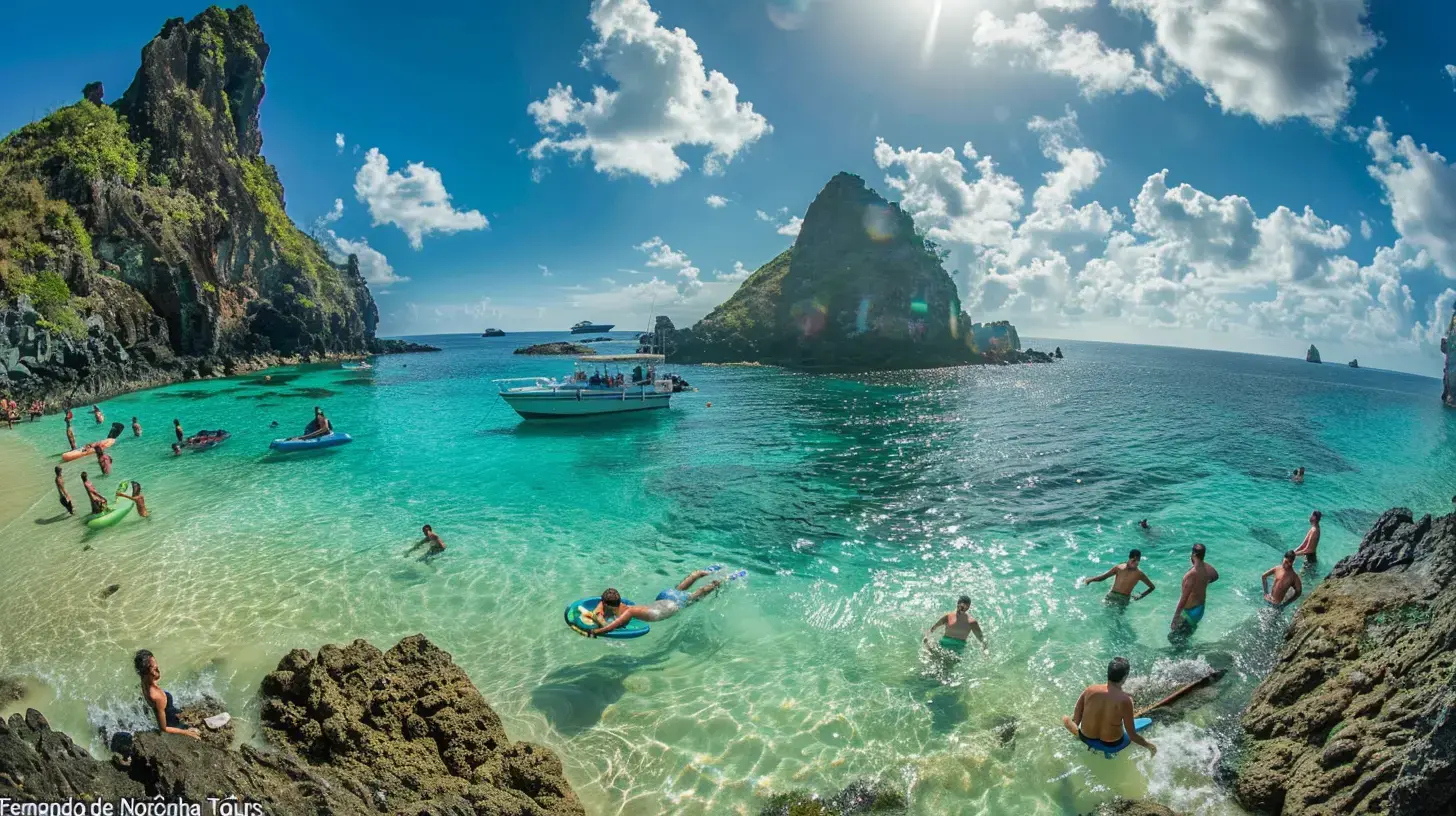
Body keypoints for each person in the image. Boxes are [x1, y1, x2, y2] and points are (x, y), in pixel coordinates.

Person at [1061, 657, 1156, 758]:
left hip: (1085, 738)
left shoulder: (1090, 690)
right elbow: (1132, 735)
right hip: (1112, 745)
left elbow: (1076, 719)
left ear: (1108, 672)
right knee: (1125, 731)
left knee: (1066, 718)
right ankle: (1110, 754)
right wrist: (1149, 746)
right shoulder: (1125, 700)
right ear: (1125, 677)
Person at [588, 569, 726, 636]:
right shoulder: (623, 605)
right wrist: (597, 615)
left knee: (695, 597)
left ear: (606, 604)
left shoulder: (629, 611)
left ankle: (717, 582)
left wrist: (594, 631)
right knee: (678, 590)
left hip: (670, 607)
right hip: (663, 597)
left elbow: (610, 627)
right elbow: (600, 603)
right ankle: (697, 574)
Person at [134, 650, 200, 739]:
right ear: (146, 671)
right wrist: (186, 732)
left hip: (169, 712)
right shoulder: (157, 696)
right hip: (173, 723)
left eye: (155, 663)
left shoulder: (144, 680)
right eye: (153, 667)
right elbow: (163, 728)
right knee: (198, 729)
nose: (157, 667)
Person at [1172, 543, 1218, 633]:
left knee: (1174, 638)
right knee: (1182, 637)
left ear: (1193, 554)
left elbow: (1184, 598)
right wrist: (1204, 582)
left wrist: (1175, 619)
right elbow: (1216, 576)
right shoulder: (1206, 568)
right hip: (1199, 608)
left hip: (1191, 612)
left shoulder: (1192, 574)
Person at [1083, 550, 1156, 602]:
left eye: (1138, 561)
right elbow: (1103, 577)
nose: (1136, 563)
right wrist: (1090, 579)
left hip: (1124, 599)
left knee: (1118, 621)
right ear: (1129, 559)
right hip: (1112, 595)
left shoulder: (1139, 574)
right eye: (1134, 560)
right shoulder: (1119, 568)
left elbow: (1152, 587)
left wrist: (1140, 596)